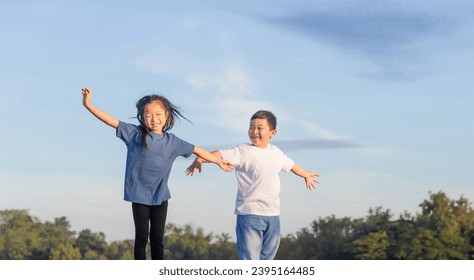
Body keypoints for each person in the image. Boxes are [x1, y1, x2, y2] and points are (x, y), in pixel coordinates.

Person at [81, 88, 233, 260]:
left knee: (157, 239)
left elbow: (198, 150)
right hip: (139, 196)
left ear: (166, 115)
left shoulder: (173, 142)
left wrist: (218, 161)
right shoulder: (135, 134)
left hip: (160, 197)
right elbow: (109, 120)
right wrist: (88, 104)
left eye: (158, 114)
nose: (154, 119)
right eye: (148, 115)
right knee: (141, 238)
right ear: (142, 116)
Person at [186, 110, 319, 260]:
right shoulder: (243, 151)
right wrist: (200, 159)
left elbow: (292, 165)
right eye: (251, 127)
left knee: (268, 256)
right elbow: (221, 154)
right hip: (250, 213)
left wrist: (306, 174)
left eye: (259, 128)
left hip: (273, 213)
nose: (254, 131)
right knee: (250, 257)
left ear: (272, 133)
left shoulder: (276, 152)